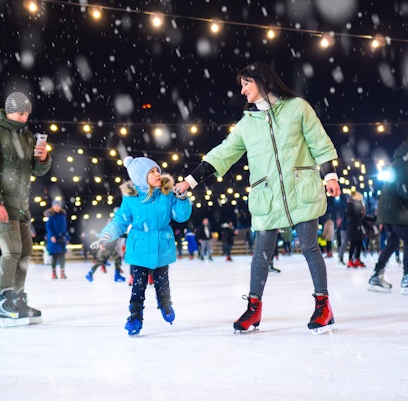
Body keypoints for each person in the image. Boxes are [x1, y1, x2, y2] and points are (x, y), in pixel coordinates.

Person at [175, 61, 341, 334]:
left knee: (310, 247)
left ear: (262, 81)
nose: (242, 91)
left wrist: (330, 176)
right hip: (268, 197)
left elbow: (318, 142)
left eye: (246, 84)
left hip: (301, 189)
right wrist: (191, 180)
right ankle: (254, 309)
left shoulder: (297, 108)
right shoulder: (247, 124)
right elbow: (222, 153)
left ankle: (324, 305)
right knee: (261, 254)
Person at [90, 156, 192, 336]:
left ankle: (165, 304)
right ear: (140, 178)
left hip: (162, 246)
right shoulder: (131, 199)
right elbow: (120, 221)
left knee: (162, 283)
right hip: (140, 248)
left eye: (157, 170)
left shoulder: (167, 193)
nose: (157, 174)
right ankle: (135, 316)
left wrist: (182, 198)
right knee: (138, 285)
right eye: (151, 172)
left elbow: (180, 216)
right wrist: (106, 235)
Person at [0, 91, 51, 328]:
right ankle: (3, 300)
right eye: (20, 113)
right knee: (11, 252)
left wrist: (43, 158)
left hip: (22, 206)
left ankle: (18, 298)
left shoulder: (28, 136)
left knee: (25, 252)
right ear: (9, 111)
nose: (24, 118)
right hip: (2, 204)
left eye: (27, 114)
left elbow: (36, 171)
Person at [368, 139, 408, 294]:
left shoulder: (400, 159)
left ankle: (376, 276)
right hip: (394, 209)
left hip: (388, 208)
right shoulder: (404, 160)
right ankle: (407, 277)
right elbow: (403, 187)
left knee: (392, 241)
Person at [44, 200, 70, 280]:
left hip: (61, 238)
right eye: (55, 206)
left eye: (58, 206)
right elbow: (48, 227)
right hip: (53, 239)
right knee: (55, 256)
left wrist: (67, 237)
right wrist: (51, 236)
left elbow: (65, 227)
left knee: (62, 256)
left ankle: (62, 273)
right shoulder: (50, 215)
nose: (57, 207)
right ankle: (54, 273)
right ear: (52, 206)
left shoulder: (62, 215)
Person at [345, 191, 366, 268]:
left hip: (358, 226)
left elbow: (361, 215)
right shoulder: (350, 205)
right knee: (353, 243)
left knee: (359, 243)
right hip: (353, 226)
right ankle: (350, 260)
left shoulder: (358, 204)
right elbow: (352, 215)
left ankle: (357, 259)